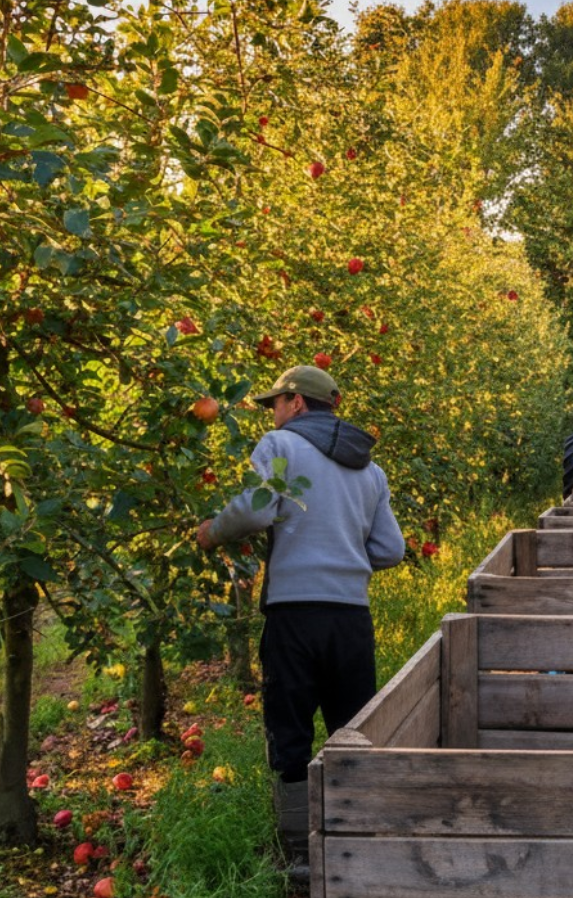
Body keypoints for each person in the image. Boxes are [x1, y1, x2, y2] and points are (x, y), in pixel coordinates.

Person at [195, 364, 405, 876]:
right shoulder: (369, 469)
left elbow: (256, 511)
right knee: (351, 728)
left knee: (289, 731)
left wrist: (211, 532)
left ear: (298, 403)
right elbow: (391, 549)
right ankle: (354, 841)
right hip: (351, 618)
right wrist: (344, 551)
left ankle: (299, 853)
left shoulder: (280, 446)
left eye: (276, 403)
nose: (274, 413)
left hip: (294, 614)